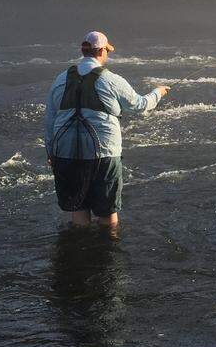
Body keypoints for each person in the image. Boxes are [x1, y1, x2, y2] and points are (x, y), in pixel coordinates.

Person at [44, 31, 169, 228]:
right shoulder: (111, 79)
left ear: (83, 51)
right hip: (103, 154)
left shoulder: (60, 79)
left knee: (78, 209)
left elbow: (50, 119)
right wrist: (158, 92)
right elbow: (140, 105)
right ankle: (108, 253)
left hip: (65, 153)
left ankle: (80, 251)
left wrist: (50, 152)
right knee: (107, 212)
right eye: (107, 51)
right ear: (101, 51)